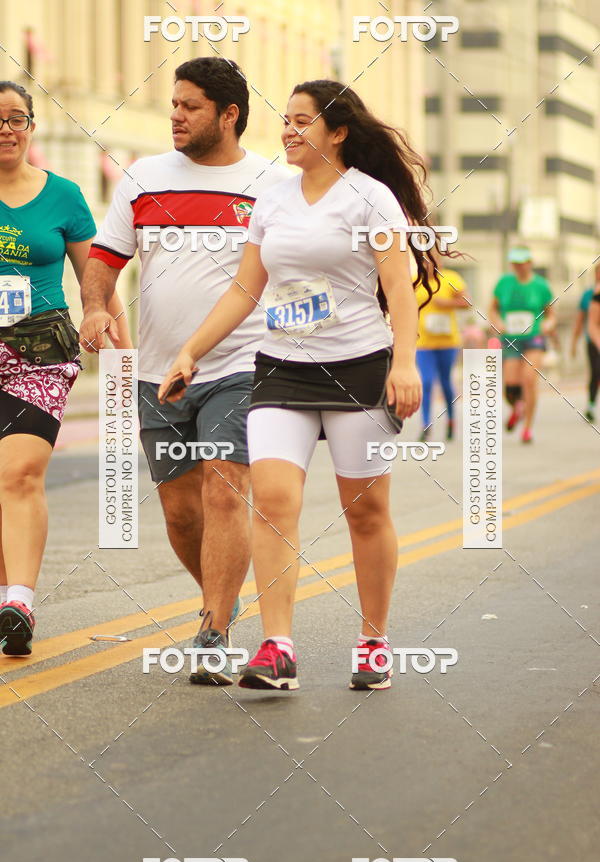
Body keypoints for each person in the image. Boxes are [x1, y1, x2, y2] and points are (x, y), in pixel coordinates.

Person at [159, 79, 443, 692]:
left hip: (358, 368)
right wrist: (191, 350)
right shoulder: (273, 201)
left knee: (366, 512)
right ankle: (277, 647)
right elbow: (245, 289)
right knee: (273, 503)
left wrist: (404, 363)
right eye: (284, 120)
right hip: (281, 368)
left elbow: (398, 288)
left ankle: (373, 641)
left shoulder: (370, 199)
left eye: (301, 120)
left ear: (337, 132)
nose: (287, 130)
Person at [80, 58, 289, 685]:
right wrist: (94, 306)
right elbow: (104, 259)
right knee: (180, 512)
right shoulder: (142, 178)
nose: (175, 115)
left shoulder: (271, 184)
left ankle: (214, 632)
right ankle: (218, 599)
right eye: (173, 103)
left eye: (190, 106)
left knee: (225, 487)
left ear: (228, 114)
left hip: (242, 364)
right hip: (158, 371)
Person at [0, 81, 131, 655]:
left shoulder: (64, 195)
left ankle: (20, 601)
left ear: (31, 127)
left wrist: (124, 359)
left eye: (16, 118)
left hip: (40, 352)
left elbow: (97, 281)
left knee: (19, 474)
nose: (6, 129)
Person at [489, 247, 556, 443]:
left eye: (522, 262)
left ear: (530, 263)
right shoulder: (504, 283)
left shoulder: (541, 285)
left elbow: (551, 313)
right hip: (511, 338)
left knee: (529, 379)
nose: (519, 266)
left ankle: (527, 427)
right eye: (515, 263)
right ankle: (517, 406)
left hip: (533, 337)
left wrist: (549, 324)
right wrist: (496, 322)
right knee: (510, 386)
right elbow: (492, 309)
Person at [415, 255, 469, 440]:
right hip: (423, 343)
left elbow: (467, 302)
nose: (430, 264)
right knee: (426, 382)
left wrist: (448, 303)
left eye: (434, 260)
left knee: (446, 382)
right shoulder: (415, 280)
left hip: (448, 342)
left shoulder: (451, 278)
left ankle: (451, 420)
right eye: (425, 260)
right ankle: (425, 425)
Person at [571, 262, 600, 422]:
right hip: (593, 341)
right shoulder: (589, 295)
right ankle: (591, 404)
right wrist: (574, 343)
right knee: (596, 372)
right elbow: (581, 320)